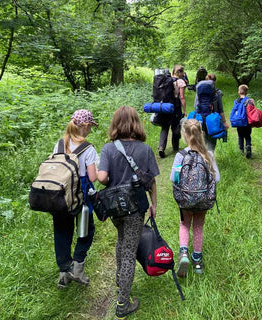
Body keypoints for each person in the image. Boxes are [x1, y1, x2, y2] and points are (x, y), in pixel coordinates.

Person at [97, 106, 159, 320]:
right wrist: (154, 205)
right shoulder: (145, 149)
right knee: (129, 252)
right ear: (136, 124)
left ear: (115, 124)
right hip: (135, 209)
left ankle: (119, 279)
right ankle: (123, 303)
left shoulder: (108, 148)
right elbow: (152, 182)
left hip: (115, 207)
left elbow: (102, 178)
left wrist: (98, 171)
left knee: (121, 241)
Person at [53, 109, 99, 289]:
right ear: (86, 126)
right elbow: (93, 177)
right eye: (90, 127)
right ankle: (77, 267)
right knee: (87, 231)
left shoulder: (59, 145)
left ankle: (64, 272)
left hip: (59, 197)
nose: (90, 130)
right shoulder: (88, 148)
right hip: (80, 197)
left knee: (62, 232)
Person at [170, 119, 219, 278]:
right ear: (202, 134)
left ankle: (183, 253)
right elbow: (216, 178)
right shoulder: (208, 155)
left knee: (184, 224)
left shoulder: (180, 156)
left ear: (185, 135)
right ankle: (197, 261)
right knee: (198, 226)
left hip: (185, 199)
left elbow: (173, 178)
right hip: (203, 199)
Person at [194, 73, 229, 152]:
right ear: (215, 81)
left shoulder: (199, 92)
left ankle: (202, 159)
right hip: (213, 120)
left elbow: (195, 106)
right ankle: (210, 158)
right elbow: (220, 109)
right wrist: (224, 122)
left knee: (202, 139)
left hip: (201, 119)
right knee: (212, 141)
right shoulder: (218, 93)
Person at [158, 65, 187, 158]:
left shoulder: (166, 80)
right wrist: (185, 110)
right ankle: (175, 147)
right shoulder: (180, 81)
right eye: (182, 72)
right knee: (175, 127)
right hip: (175, 107)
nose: (183, 74)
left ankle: (161, 147)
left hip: (165, 107)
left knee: (165, 127)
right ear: (178, 72)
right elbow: (181, 97)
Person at [235, 84, 253, 158]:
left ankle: (241, 150)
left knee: (240, 136)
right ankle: (248, 146)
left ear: (239, 92)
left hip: (239, 122)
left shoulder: (236, 101)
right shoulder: (250, 101)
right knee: (248, 136)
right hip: (247, 122)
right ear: (247, 92)